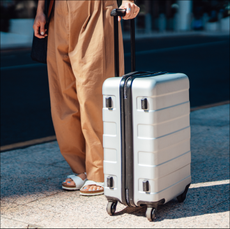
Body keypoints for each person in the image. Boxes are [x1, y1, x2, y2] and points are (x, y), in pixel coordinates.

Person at [33, 0, 140, 196]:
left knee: (93, 92)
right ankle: (79, 169)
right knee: (62, 97)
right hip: (57, 11)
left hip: (95, 9)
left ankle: (99, 170)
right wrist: (40, 11)